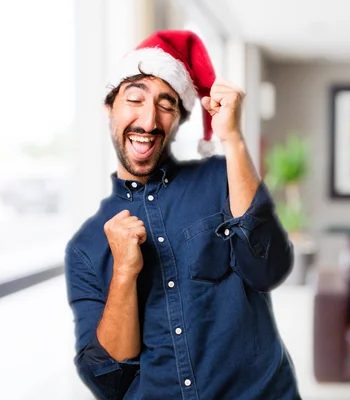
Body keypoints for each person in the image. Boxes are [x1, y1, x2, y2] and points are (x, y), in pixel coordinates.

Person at [65, 30, 300, 400]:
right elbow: (110, 379)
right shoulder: (86, 246)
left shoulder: (221, 178)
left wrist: (233, 138)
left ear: (176, 120)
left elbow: (269, 268)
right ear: (109, 106)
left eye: (166, 104)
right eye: (135, 99)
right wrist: (125, 272)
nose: (148, 120)